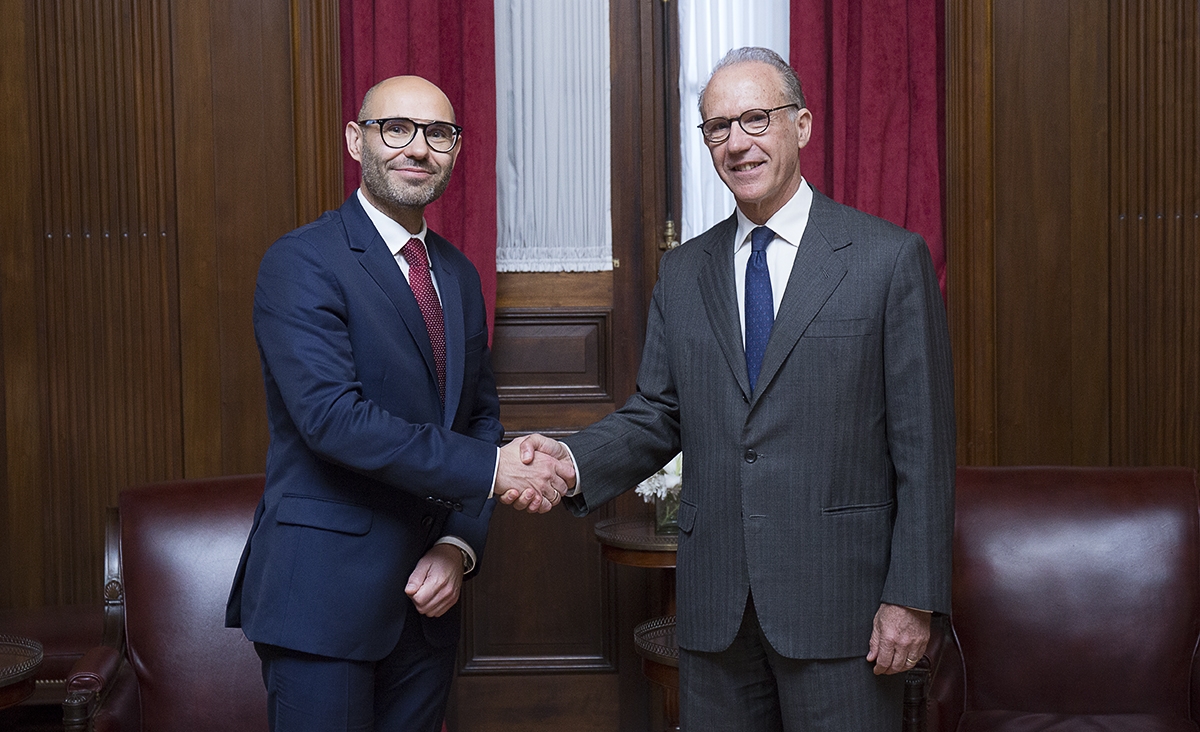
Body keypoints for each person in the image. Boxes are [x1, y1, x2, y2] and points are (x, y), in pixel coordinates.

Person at [518, 47, 955, 730]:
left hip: (843, 611)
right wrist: (569, 463)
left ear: (802, 125)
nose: (736, 142)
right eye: (717, 126)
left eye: (756, 118)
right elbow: (657, 415)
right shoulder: (685, 272)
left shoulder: (887, 260)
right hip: (717, 612)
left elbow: (924, 448)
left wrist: (914, 598)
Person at [226, 75, 570, 732]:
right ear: (357, 141)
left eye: (437, 133)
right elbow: (335, 420)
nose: (417, 148)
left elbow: (478, 419)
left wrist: (458, 544)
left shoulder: (459, 275)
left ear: (456, 151)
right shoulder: (302, 262)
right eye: (396, 129)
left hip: (428, 601)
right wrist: (497, 472)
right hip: (322, 604)